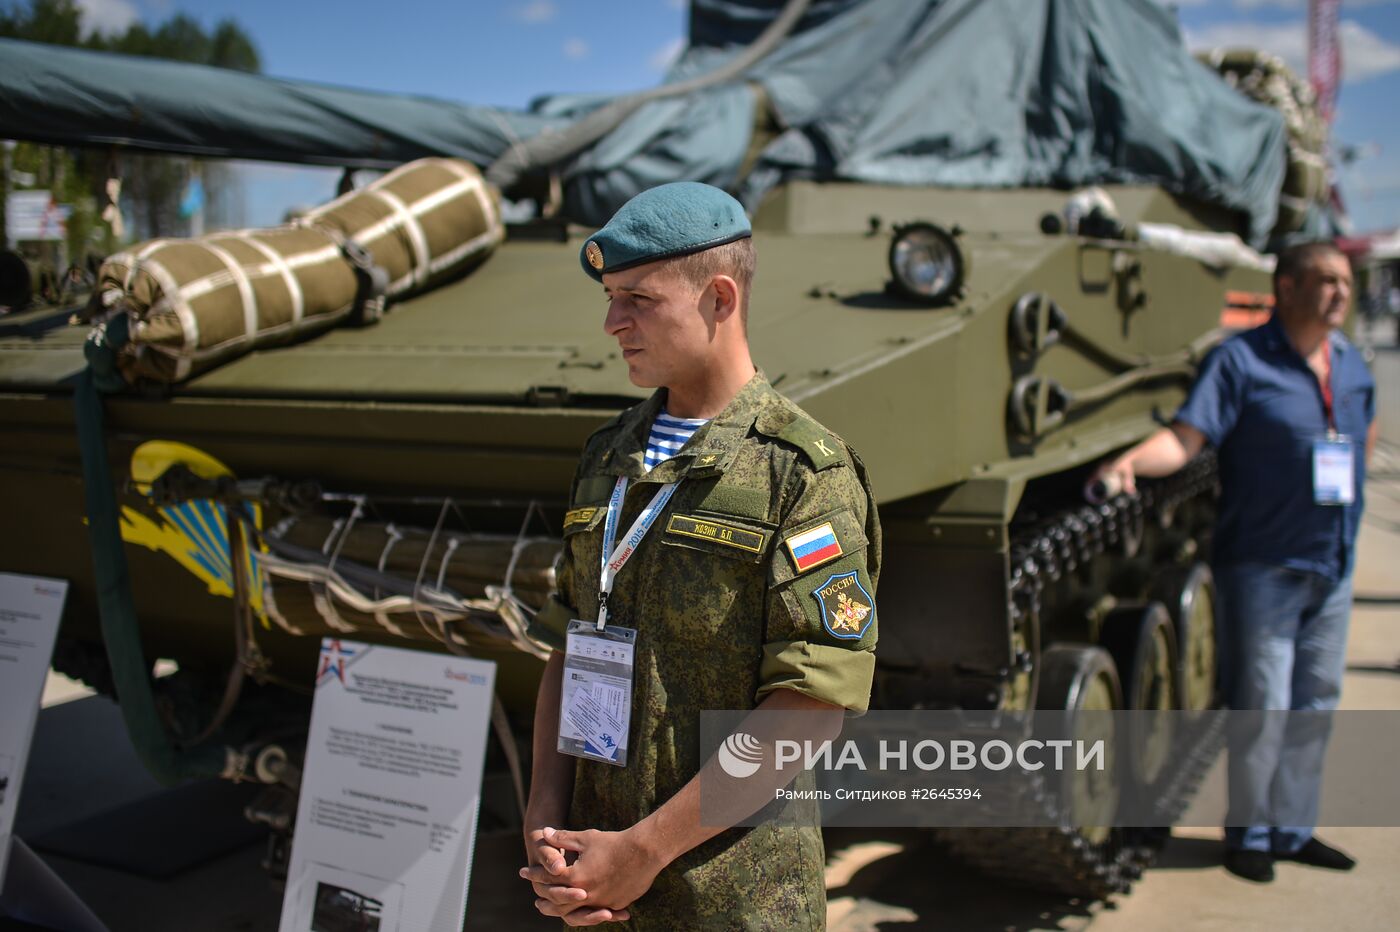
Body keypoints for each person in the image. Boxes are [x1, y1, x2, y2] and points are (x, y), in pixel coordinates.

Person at [518, 182, 880, 928]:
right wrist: (544, 823)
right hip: (595, 887)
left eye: (638, 299)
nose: (612, 321)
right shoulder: (606, 456)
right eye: (611, 297)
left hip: (734, 898)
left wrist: (645, 851)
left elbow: (810, 707)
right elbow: (567, 644)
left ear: (719, 298)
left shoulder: (801, 472)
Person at [1093, 241, 1377, 884]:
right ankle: (1249, 834)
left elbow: (1366, 433)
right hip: (1265, 563)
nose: (1340, 292)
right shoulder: (1241, 361)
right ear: (1287, 288)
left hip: (1333, 560)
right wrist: (1131, 463)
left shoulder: (1353, 364)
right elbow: (1188, 437)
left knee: (1316, 702)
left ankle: (1293, 828)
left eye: (1345, 281)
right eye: (1326, 280)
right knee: (1264, 703)